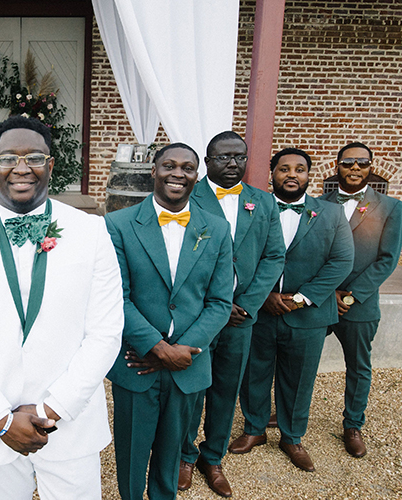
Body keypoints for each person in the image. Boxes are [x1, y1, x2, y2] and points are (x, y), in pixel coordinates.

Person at [0, 116, 123, 500]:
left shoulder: (92, 232)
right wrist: (0, 419)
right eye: (7, 158)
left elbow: (105, 332)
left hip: (71, 423)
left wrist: (54, 408)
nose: (21, 168)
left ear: (51, 165)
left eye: (34, 157)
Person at [105, 143, 233, 500]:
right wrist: (157, 347)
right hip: (137, 361)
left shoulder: (217, 230)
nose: (178, 173)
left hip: (187, 365)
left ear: (197, 174)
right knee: (131, 454)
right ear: (154, 170)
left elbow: (220, 302)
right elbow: (116, 296)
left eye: (188, 168)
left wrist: (182, 350)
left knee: (171, 453)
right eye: (169, 165)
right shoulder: (118, 224)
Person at [231, 148, 354, 472]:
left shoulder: (330, 213)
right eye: (284, 169)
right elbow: (239, 255)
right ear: (272, 174)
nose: (292, 174)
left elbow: (341, 261)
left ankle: (292, 436)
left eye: (299, 169)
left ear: (308, 175)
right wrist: (265, 295)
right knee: (254, 372)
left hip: (308, 315)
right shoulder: (253, 209)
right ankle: (254, 429)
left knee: (299, 378)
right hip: (260, 310)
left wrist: (301, 298)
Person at [179, 132, 285, 497]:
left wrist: (250, 303)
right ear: (207, 162)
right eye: (222, 157)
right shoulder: (189, 196)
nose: (232, 163)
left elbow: (274, 257)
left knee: (225, 389)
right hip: (200, 315)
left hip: (242, 316)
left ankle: (213, 457)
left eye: (239, 156)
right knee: (194, 389)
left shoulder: (264, 203)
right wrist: (213, 306)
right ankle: (185, 456)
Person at [321, 142, 402, 458]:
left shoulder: (391, 207)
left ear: (370, 167)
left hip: (359, 303)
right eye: (348, 162)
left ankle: (353, 424)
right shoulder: (319, 203)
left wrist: (352, 296)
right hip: (320, 299)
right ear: (337, 165)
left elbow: (387, 259)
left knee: (358, 365)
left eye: (362, 163)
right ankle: (289, 413)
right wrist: (326, 292)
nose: (355, 168)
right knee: (299, 359)